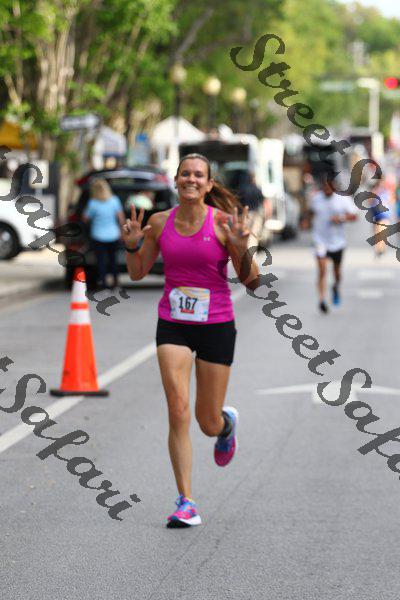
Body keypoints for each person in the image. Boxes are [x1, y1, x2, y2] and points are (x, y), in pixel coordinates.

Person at [122, 153, 259, 528]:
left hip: (216, 324)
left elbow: (253, 282)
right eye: (185, 173)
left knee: (206, 422)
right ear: (176, 179)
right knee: (178, 408)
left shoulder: (223, 223)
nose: (191, 179)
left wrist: (241, 246)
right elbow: (137, 272)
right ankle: (186, 501)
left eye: (199, 175)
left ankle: (225, 425)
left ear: (209, 184)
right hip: (174, 324)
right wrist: (132, 245)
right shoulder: (159, 222)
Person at [310, 179, 357, 313]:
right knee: (322, 270)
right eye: (324, 188)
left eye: (328, 188)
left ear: (334, 188)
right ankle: (322, 300)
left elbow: (354, 216)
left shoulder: (342, 200)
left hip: (337, 242)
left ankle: (335, 286)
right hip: (320, 240)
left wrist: (341, 218)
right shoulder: (316, 199)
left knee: (336, 272)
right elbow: (311, 212)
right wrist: (307, 221)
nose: (326, 190)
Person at [83, 178, 125, 289]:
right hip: (113, 235)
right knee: (113, 260)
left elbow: (85, 218)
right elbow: (121, 218)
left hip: (98, 236)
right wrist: (122, 232)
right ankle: (115, 282)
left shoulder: (93, 203)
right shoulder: (114, 200)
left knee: (100, 261)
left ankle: (103, 283)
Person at [368, 179, 392, 258]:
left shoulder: (386, 192)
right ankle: (379, 248)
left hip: (384, 215)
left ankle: (380, 248)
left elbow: (390, 200)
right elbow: (369, 202)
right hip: (376, 215)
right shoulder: (374, 191)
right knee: (377, 232)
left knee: (382, 232)